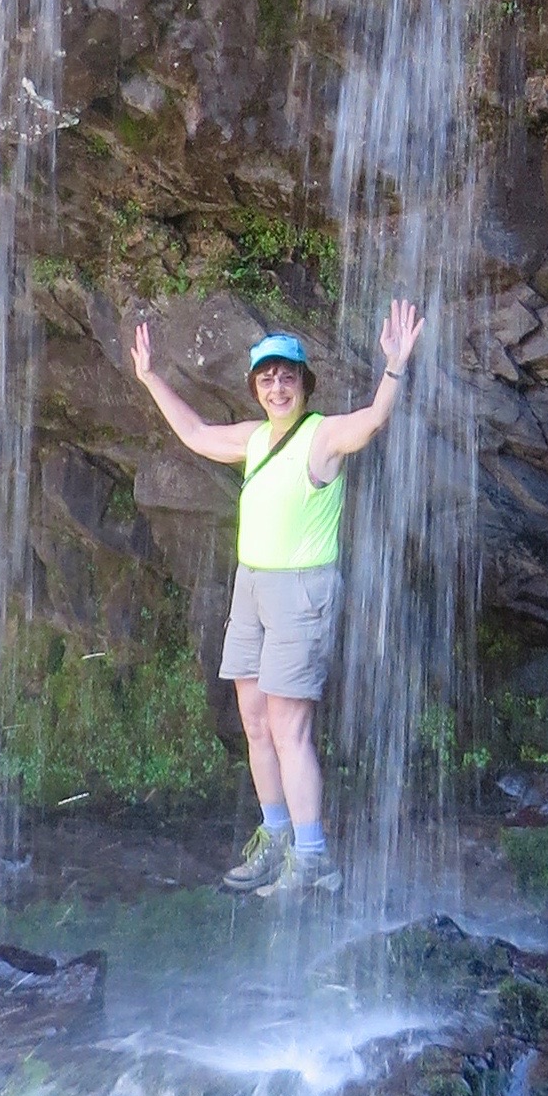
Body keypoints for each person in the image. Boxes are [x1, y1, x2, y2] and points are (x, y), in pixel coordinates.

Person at [129, 297, 424, 903]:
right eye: (267, 377)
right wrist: (152, 376)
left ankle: (312, 860)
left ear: (304, 385)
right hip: (253, 587)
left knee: (290, 729)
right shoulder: (256, 439)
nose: (278, 386)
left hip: (302, 593)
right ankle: (276, 837)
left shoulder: (322, 437)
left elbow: (370, 421)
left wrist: (393, 367)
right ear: (256, 388)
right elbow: (194, 432)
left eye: (288, 376)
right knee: (256, 722)